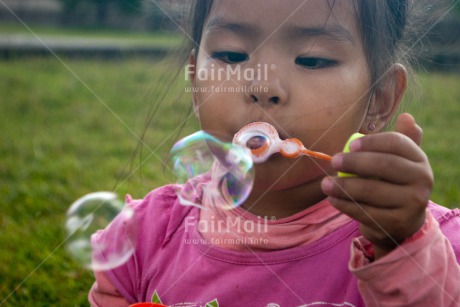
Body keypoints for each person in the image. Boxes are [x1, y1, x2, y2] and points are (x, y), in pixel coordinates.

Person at [89, 1, 460, 306]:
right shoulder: (142, 240)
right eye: (231, 55)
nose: (262, 86)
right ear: (195, 82)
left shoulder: (436, 251)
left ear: (378, 99)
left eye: (312, 60)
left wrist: (401, 247)